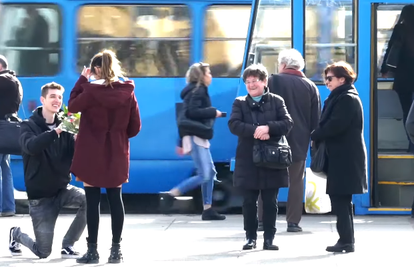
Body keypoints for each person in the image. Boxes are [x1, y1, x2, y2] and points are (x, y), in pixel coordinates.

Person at [68, 49, 141, 264]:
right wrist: (118, 137)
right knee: (115, 200)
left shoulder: (89, 92)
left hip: (91, 152)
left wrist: (82, 79)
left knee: (92, 202)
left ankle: (92, 252)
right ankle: (116, 251)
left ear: (97, 69)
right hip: (117, 152)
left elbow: (71, 107)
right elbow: (135, 127)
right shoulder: (128, 91)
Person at [10, 82, 86, 259]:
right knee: (43, 252)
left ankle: (68, 244)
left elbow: (73, 155)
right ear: (43, 100)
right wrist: (56, 131)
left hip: (62, 190)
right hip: (41, 198)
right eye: (53, 96)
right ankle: (17, 234)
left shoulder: (67, 125)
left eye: (60, 97)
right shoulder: (28, 125)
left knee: (90, 199)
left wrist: (78, 141)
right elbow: (31, 147)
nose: (57, 100)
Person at [228, 64, 293, 250]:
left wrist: (268, 128)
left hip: (272, 159)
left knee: (270, 202)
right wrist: (256, 130)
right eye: (247, 82)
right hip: (248, 159)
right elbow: (234, 125)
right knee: (249, 202)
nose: (250, 85)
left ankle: (269, 239)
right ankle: (250, 237)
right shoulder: (239, 103)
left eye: (254, 81)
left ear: (264, 82)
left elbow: (287, 123)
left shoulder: (277, 100)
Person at [311, 61, 367, 253]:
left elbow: (336, 125)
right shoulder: (341, 96)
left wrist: (314, 135)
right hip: (342, 157)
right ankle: (346, 240)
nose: (326, 82)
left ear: (342, 79)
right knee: (340, 199)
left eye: (330, 79)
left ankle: (346, 241)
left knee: (341, 199)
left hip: (345, 158)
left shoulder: (346, 99)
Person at [159, 62, 226, 221]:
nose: (211, 75)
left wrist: (180, 141)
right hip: (196, 136)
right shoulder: (198, 90)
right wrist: (212, 112)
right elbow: (192, 112)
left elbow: (184, 116)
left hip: (197, 135)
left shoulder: (194, 90)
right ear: (201, 76)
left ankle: (208, 209)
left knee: (210, 173)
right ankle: (172, 194)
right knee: (204, 174)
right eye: (208, 73)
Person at [267, 49, 321, 232]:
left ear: (283, 65)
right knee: (296, 181)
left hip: (272, 138)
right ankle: (293, 222)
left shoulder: (272, 81)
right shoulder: (310, 86)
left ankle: (262, 220)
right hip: (299, 141)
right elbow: (316, 121)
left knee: (265, 180)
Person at [380, 5, 414, 152]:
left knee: (407, 112)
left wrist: (384, 69)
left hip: (404, 77)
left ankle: (411, 144)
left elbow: (391, 49)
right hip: (405, 77)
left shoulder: (401, 29)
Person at [0, 55, 21, 217]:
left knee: (4, 170)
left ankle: (4, 207)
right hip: (6, 129)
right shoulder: (13, 80)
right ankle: (8, 207)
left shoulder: (4, 80)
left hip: (1, 127)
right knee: (5, 170)